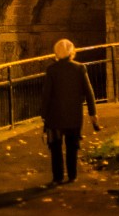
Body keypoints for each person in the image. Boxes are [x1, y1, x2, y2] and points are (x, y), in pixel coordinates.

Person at [40, 38, 99, 184]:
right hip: (74, 115)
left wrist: (44, 115)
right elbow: (89, 92)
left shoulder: (51, 70)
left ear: (56, 53)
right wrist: (93, 113)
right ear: (72, 52)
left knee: (55, 148)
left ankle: (58, 177)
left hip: (55, 117)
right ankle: (72, 175)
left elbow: (46, 95)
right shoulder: (79, 68)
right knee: (72, 146)